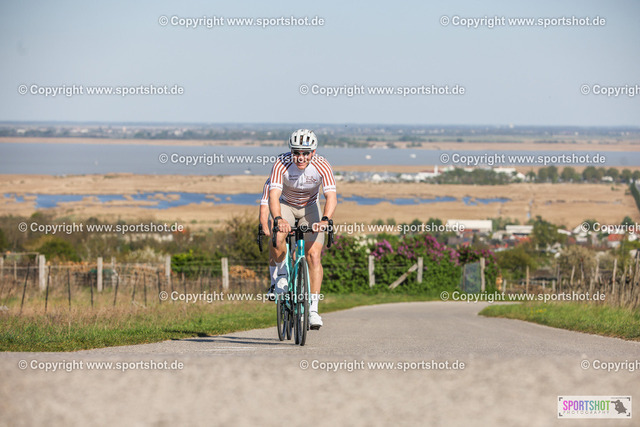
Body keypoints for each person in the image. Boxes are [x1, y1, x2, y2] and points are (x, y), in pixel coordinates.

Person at [269, 129, 337, 329]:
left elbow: (331, 196)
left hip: (310, 207)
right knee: (278, 235)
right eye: (296, 152)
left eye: (305, 153)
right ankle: (282, 275)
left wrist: (325, 220)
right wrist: (278, 218)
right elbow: (274, 195)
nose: (300, 157)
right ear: (291, 151)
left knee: (313, 256)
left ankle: (313, 310)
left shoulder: (322, 165)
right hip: (286, 205)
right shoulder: (281, 162)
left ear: (313, 152)